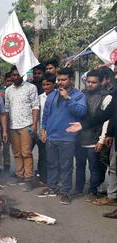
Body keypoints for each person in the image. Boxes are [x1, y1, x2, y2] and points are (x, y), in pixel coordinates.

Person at [39, 68, 87, 205]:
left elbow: (81, 112)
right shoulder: (52, 95)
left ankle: (66, 192)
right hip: (51, 136)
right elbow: (46, 114)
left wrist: (68, 98)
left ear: (71, 79)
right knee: (52, 164)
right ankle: (52, 188)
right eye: (58, 80)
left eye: (63, 79)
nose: (60, 82)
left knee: (66, 166)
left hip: (68, 138)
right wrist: (44, 130)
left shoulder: (78, 95)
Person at [73, 70, 113, 202]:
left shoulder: (106, 97)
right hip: (80, 137)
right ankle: (78, 189)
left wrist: (101, 140)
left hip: (95, 139)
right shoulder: (81, 95)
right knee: (79, 165)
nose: (90, 85)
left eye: (93, 82)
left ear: (101, 82)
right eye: (88, 82)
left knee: (94, 168)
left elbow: (106, 120)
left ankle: (93, 191)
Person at [5, 66, 40, 191]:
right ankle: (19, 175)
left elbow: (35, 106)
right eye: (13, 75)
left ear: (22, 75)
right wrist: (6, 128)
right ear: (11, 76)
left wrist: (35, 124)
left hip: (27, 125)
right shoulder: (8, 90)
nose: (16, 77)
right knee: (17, 153)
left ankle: (28, 179)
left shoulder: (31, 88)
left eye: (18, 75)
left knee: (26, 153)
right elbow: (7, 109)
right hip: (13, 126)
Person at [36, 72, 57, 186]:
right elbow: (39, 115)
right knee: (42, 156)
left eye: (48, 84)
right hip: (42, 131)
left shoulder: (58, 96)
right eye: (44, 85)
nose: (46, 87)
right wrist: (41, 131)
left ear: (54, 84)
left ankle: (54, 180)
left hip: (55, 132)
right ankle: (43, 179)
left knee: (53, 158)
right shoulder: (40, 98)